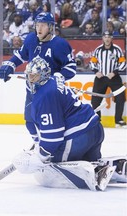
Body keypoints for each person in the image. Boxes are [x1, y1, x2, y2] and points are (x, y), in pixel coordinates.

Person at [12, 56, 127, 191]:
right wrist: (38, 144)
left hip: (79, 136)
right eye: (29, 76)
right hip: (95, 130)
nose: (30, 80)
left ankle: (96, 171)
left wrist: (41, 155)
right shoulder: (54, 79)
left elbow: (54, 136)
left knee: (51, 163)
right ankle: (116, 166)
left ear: (43, 75)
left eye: (34, 77)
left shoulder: (45, 96)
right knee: (88, 160)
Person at [0, 12, 76, 148]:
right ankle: (37, 143)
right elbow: (20, 56)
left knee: (49, 120)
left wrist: (58, 76)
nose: (39, 29)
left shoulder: (60, 44)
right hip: (32, 88)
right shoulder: (31, 39)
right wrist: (10, 65)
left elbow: (71, 68)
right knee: (30, 120)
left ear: (50, 27)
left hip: (50, 92)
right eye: (37, 25)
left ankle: (52, 144)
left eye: (43, 25)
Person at [89, 31, 127, 128]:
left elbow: (123, 63)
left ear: (112, 38)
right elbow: (92, 62)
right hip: (100, 78)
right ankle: (97, 120)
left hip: (114, 78)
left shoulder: (117, 50)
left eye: (109, 37)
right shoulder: (98, 50)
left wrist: (114, 72)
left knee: (120, 97)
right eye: (105, 37)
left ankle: (118, 120)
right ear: (102, 38)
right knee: (95, 100)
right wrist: (96, 71)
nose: (107, 39)